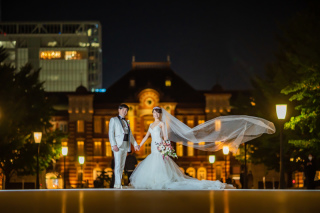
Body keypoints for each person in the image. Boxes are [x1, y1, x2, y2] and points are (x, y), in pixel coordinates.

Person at [130, 107, 234, 189]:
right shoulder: (151, 125)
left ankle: (160, 181)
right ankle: (153, 181)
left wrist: (166, 147)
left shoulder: (162, 124)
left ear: (160, 114)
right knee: (153, 163)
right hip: (153, 145)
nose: (156, 114)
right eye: (154, 112)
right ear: (152, 113)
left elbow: (165, 137)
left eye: (157, 113)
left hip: (159, 145)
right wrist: (139, 145)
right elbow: (146, 136)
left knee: (160, 163)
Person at [109, 104, 139, 189]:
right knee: (118, 165)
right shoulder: (113, 120)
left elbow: (130, 135)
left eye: (126, 111)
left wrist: (135, 144)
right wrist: (113, 144)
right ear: (119, 110)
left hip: (125, 145)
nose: (125, 112)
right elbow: (111, 133)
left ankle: (119, 183)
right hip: (117, 145)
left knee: (122, 165)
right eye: (123, 110)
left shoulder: (127, 122)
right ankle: (117, 184)